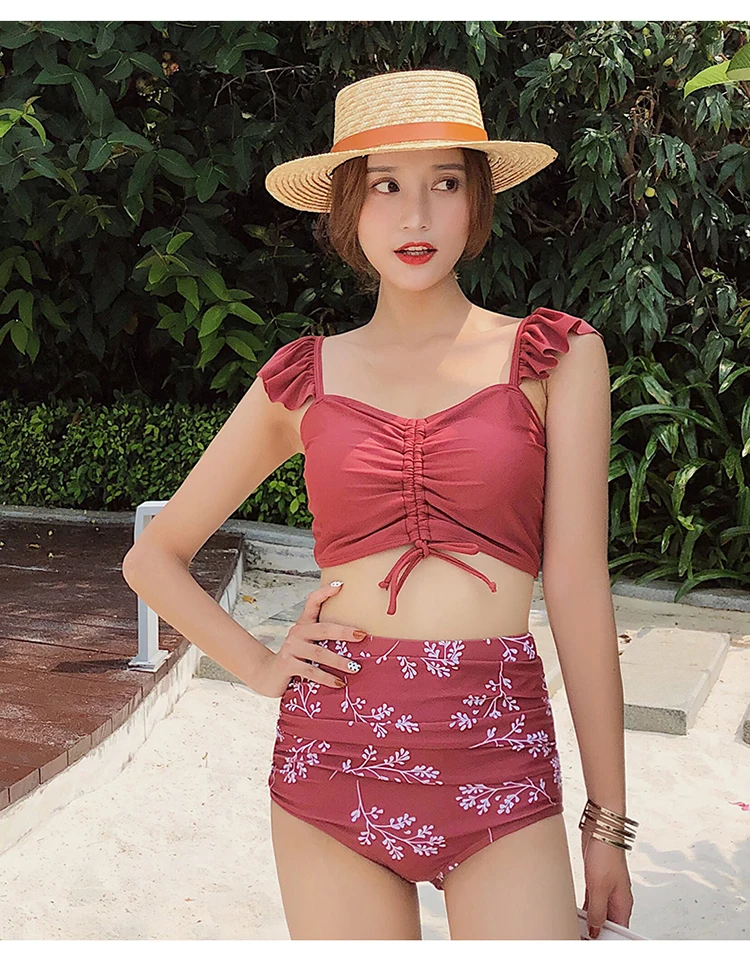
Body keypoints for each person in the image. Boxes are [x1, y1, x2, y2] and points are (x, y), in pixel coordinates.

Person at [123, 68, 637, 941]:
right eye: (387, 186)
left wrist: (608, 824)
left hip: (498, 755)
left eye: (446, 184)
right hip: (333, 756)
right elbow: (152, 558)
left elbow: (581, 590)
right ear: (348, 210)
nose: (416, 216)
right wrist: (261, 666)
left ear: (477, 201)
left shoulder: (555, 357)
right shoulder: (303, 378)